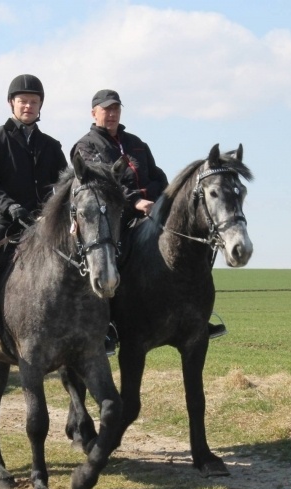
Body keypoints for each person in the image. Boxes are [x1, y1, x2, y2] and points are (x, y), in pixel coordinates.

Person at [71, 89, 226, 349]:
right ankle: (108, 324)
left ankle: (196, 317)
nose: (112, 114)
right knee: (113, 254)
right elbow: (101, 183)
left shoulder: (136, 143)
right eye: (106, 109)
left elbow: (157, 175)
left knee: (193, 245)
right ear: (93, 113)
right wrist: (134, 202)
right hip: (116, 215)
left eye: (116, 109)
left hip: (154, 211)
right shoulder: (86, 146)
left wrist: (166, 200)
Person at [0, 74, 68, 341]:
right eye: (23, 101)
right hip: (3, 218)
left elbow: (66, 185)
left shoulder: (51, 146)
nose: (28, 106)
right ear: (12, 103)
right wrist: (9, 206)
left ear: (40, 105)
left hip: (41, 220)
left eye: (34, 101)